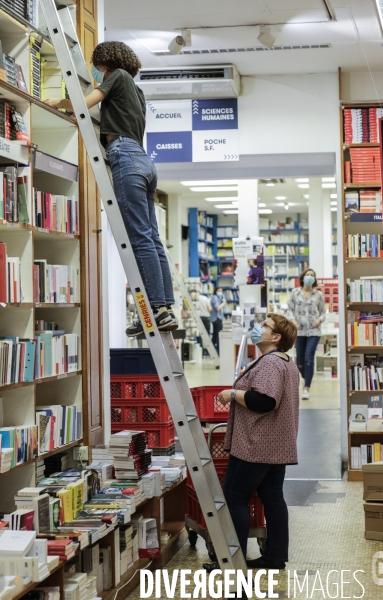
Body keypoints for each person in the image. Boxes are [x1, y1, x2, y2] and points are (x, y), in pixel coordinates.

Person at [44, 41, 177, 337]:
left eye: (96, 65)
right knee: (152, 239)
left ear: (104, 62)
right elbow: (106, 116)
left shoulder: (115, 76)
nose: (95, 71)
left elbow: (87, 101)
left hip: (126, 157)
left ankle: (158, 309)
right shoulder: (135, 91)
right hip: (143, 160)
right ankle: (164, 307)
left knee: (140, 239)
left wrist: (60, 103)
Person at [203, 313, 299, 572]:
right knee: (273, 498)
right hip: (277, 444)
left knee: (235, 498)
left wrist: (233, 394)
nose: (259, 329)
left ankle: (233, 563)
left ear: (275, 337)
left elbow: (265, 401)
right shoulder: (287, 363)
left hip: (257, 444)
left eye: (265, 327)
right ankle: (275, 557)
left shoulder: (270, 363)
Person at [287, 268, 326, 399]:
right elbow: (289, 309)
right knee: (300, 361)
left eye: (312, 275)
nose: (309, 277)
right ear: (303, 277)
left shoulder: (318, 295)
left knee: (309, 359)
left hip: (314, 332)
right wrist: (293, 320)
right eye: (307, 275)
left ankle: (306, 388)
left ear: (314, 279)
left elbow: (323, 313)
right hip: (299, 331)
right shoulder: (295, 293)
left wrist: (319, 320)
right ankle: (306, 376)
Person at [210, 287, 226, 354]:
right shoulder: (215, 298)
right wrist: (224, 303)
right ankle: (219, 352)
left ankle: (213, 351)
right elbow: (217, 308)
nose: (220, 292)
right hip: (216, 318)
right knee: (218, 336)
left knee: (215, 335)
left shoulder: (218, 298)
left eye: (221, 291)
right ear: (215, 291)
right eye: (219, 290)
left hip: (218, 318)